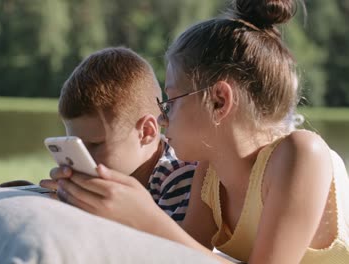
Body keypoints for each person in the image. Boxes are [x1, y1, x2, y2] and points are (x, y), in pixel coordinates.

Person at [48, 0, 349, 263]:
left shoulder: (300, 154)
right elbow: (182, 256)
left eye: (172, 101)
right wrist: (91, 205)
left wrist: (145, 218)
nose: (163, 119)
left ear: (219, 101)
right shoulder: (209, 175)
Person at [27, 47, 194, 224]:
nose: (85, 159)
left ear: (146, 132)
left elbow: (171, 248)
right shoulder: (121, 171)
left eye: (96, 144)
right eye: (77, 146)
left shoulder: (178, 177)